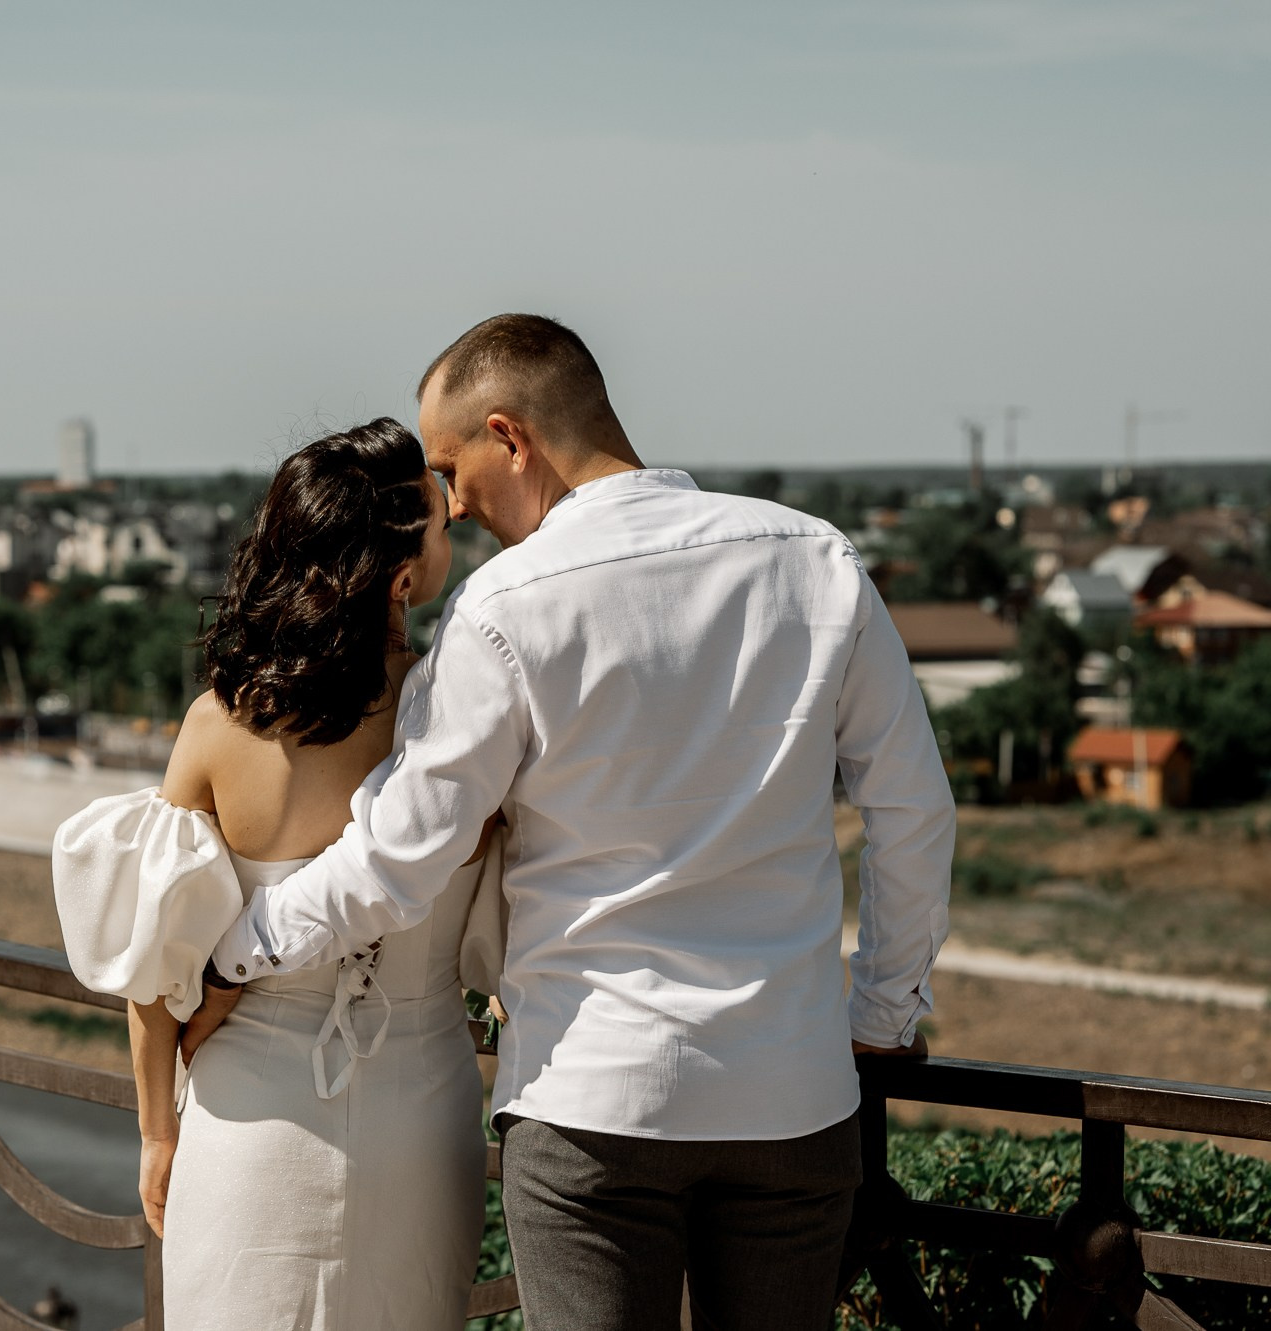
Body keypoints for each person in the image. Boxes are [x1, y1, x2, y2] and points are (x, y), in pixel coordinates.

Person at [205, 314, 955, 1330]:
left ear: (509, 436)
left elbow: (394, 860)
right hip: (791, 1091)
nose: (453, 505)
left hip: (592, 1102)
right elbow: (911, 809)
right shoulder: (812, 559)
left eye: (450, 465)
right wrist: (878, 1011)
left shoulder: (504, 608)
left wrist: (230, 950)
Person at [52, 419, 506, 1330]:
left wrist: (155, 1129)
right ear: (403, 575)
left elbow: (158, 969)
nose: (454, 528)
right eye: (440, 526)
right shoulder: (461, 728)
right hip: (422, 1120)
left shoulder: (221, 725)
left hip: (247, 1115)